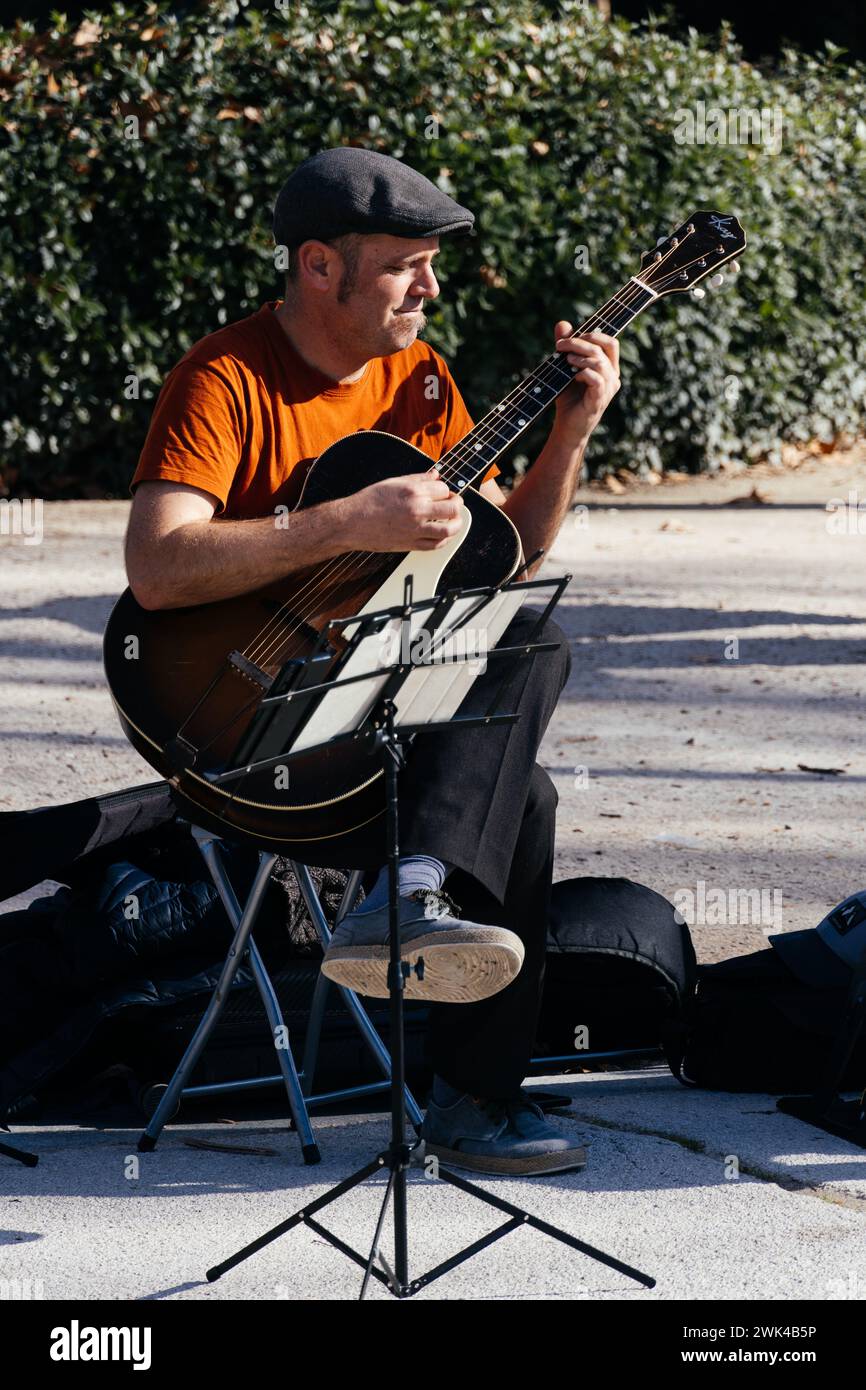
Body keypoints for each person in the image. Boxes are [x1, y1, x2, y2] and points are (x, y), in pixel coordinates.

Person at [125, 147, 621, 1175]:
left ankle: (441, 1000)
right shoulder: (223, 377)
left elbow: (501, 558)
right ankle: (443, 1007)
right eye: (406, 265)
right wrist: (340, 521)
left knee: (523, 662)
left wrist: (567, 434)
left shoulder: (421, 380)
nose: (430, 287)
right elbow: (160, 570)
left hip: (363, 707)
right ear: (320, 266)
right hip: (234, 733)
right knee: (514, 784)